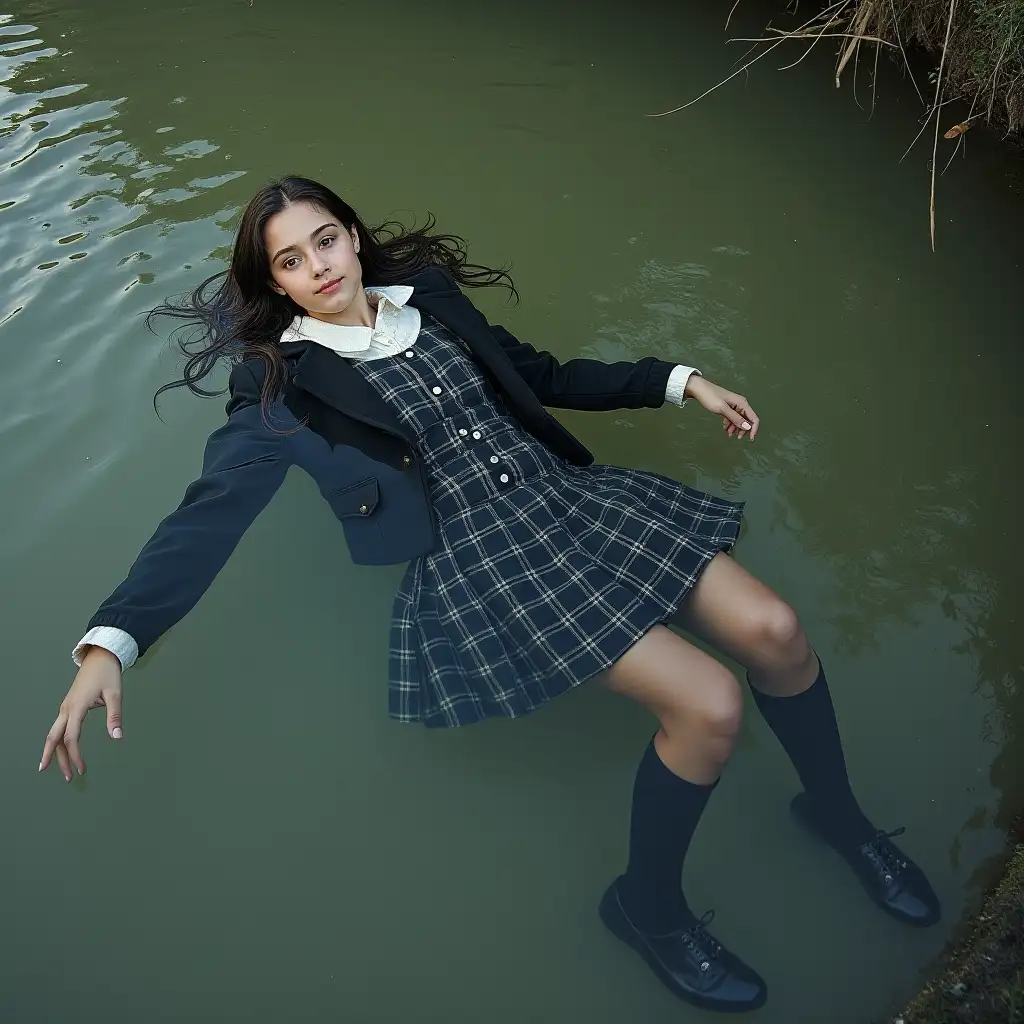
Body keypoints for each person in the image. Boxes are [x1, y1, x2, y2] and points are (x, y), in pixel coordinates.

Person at [38, 176, 939, 1013]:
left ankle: (838, 814)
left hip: (571, 504)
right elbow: (211, 511)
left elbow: (538, 375)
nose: (318, 268)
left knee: (777, 630)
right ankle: (647, 909)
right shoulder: (279, 383)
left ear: (352, 237)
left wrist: (677, 380)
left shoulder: (427, 297)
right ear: (273, 282)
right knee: (709, 705)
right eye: (291, 260)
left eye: (326, 242)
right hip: (490, 568)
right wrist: (108, 644)